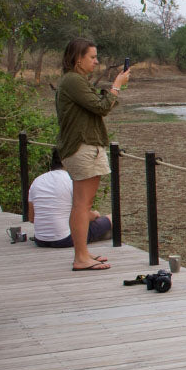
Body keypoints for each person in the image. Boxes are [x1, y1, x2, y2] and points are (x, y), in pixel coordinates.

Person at [55, 38, 129, 270]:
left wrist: (116, 88)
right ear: (78, 59)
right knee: (82, 204)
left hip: (84, 146)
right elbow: (100, 107)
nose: (96, 62)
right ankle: (80, 257)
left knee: (83, 203)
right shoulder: (73, 81)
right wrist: (116, 85)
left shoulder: (75, 81)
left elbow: (99, 105)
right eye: (92, 57)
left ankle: (83, 253)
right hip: (82, 146)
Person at [28, 150, 113, 248]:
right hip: (65, 239)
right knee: (113, 218)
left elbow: (31, 218)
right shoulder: (72, 180)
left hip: (40, 240)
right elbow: (83, 216)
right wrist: (95, 215)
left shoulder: (37, 181)